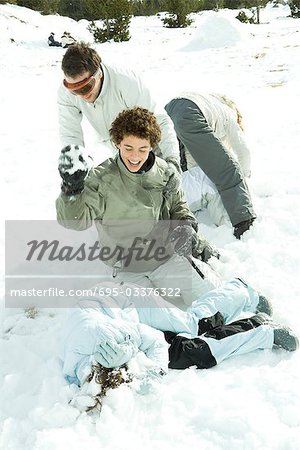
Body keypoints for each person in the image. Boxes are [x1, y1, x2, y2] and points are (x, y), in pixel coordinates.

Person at [56, 107, 220, 307]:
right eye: (128, 148)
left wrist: (184, 225)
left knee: (213, 297)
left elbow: (179, 206)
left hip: (165, 258)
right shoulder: (102, 179)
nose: (135, 156)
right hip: (127, 267)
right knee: (155, 318)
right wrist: (71, 191)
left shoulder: (165, 173)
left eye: (143, 149)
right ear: (117, 143)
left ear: (152, 145)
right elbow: (76, 221)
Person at [61, 278, 298, 394]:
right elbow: (83, 383)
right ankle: (258, 330)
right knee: (183, 352)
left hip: (128, 300)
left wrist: (155, 373)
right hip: (111, 311)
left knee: (193, 325)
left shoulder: (107, 335)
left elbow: (153, 339)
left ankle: (242, 292)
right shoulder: (76, 370)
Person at [57, 41, 180, 173]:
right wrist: (75, 167)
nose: (82, 95)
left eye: (86, 87)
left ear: (98, 73)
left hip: (153, 146)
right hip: (122, 150)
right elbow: (70, 134)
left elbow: (160, 121)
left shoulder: (126, 82)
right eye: (75, 90)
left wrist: (172, 160)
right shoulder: (66, 94)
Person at [165, 92, 257, 239]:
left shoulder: (209, 105)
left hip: (169, 109)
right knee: (228, 170)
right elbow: (243, 151)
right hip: (189, 111)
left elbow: (194, 157)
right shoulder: (228, 113)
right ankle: (243, 222)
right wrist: (244, 176)